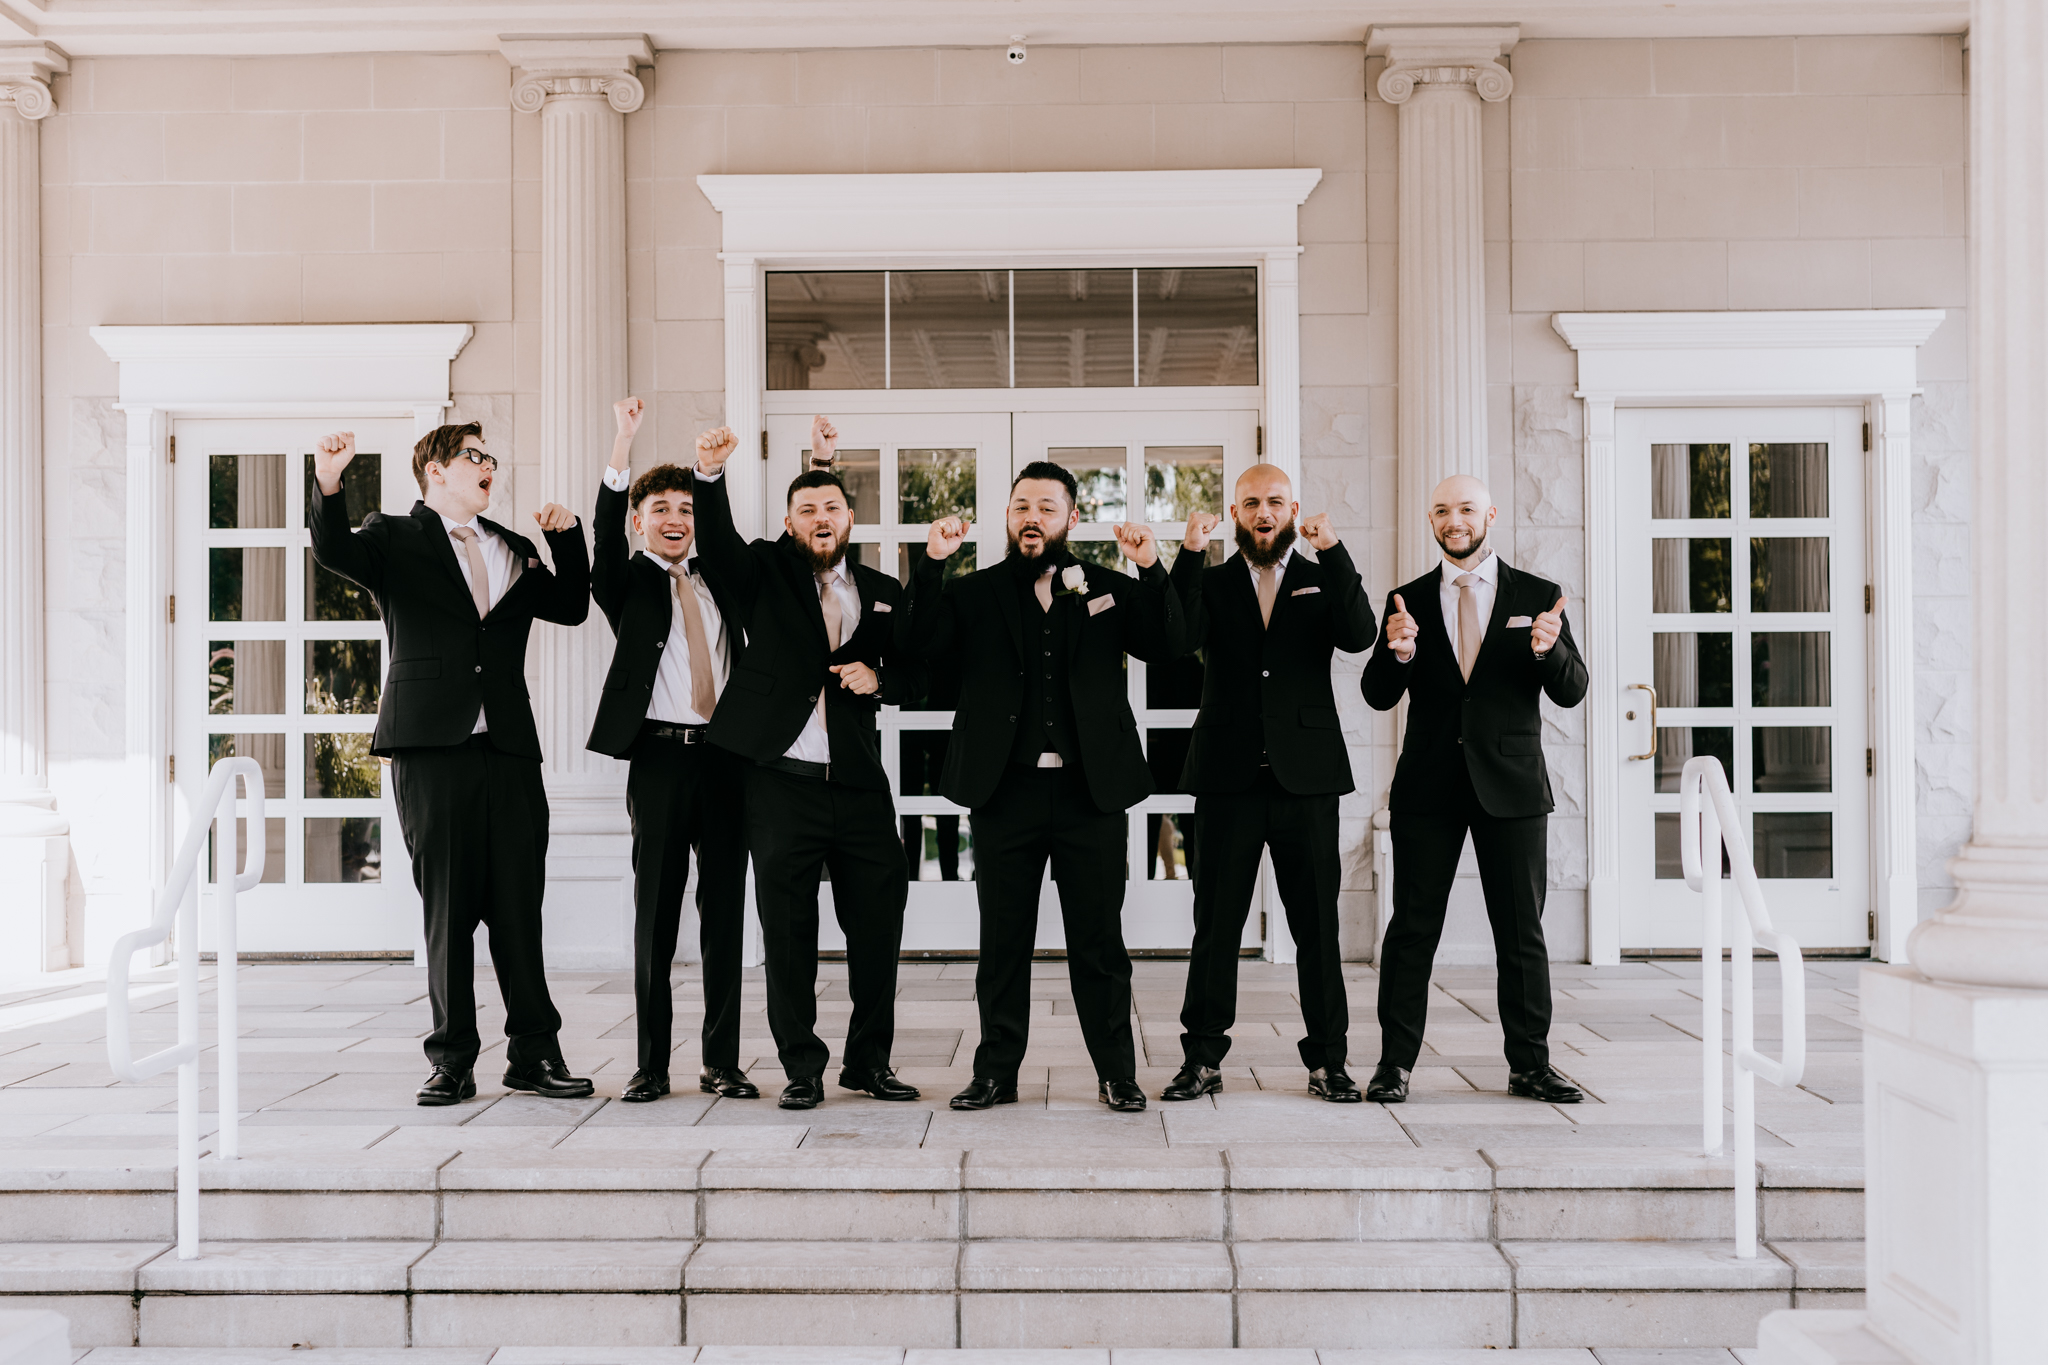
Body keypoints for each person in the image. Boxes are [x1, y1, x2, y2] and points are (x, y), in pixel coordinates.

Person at [308, 424, 593, 1106]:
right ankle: (452, 1059)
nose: (488, 464)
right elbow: (333, 549)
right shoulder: (393, 536)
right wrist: (329, 480)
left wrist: (567, 538)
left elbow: (573, 606)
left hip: (509, 749)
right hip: (431, 748)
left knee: (519, 906)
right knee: (449, 907)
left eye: (491, 456)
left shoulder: (514, 548)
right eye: (474, 455)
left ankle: (534, 1054)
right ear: (436, 470)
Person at [908, 462, 1186, 1114]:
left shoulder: (1106, 587)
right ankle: (995, 1073)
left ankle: (1117, 1072)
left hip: (1092, 793)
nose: (1031, 517)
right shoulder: (974, 592)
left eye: (1046, 507)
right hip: (1005, 793)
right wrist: (932, 564)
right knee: (1003, 943)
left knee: (1100, 943)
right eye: (1021, 506)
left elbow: (1171, 642)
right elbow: (917, 645)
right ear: (1008, 517)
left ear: (1072, 518)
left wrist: (1152, 567)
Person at [689, 416, 924, 1111]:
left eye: (831, 508)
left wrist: (880, 679)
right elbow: (719, 545)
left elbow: (919, 672)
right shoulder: (766, 571)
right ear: (789, 523)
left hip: (858, 785)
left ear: (850, 518)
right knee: (788, 933)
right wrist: (708, 475)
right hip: (780, 783)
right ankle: (802, 1066)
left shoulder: (882, 587)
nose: (821, 518)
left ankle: (870, 1062)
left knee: (877, 928)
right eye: (807, 510)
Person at [1360, 474, 1588, 1104]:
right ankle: (1394, 1064)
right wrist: (1398, 654)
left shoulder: (1538, 596)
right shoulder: (1406, 599)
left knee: (1520, 933)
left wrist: (1548, 651)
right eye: (1441, 510)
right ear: (1431, 520)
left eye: (1465, 508)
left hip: (1511, 789)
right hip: (1427, 788)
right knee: (1411, 931)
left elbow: (1572, 689)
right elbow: (1377, 694)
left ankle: (1530, 1065)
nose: (1453, 520)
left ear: (1489, 515)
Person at [1162, 464, 1377, 1104]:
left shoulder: (1321, 576)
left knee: (1317, 928)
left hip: (1305, 780)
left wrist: (1333, 550)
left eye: (1275, 502)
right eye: (1252, 502)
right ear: (1235, 513)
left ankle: (1329, 1062)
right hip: (1226, 779)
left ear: (1293, 511)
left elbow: (1360, 634)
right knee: (1216, 926)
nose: (1264, 512)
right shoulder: (1213, 580)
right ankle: (1201, 1059)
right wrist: (1189, 554)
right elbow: (1176, 638)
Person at [586, 396, 754, 1104]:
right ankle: (651, 1064)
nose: (676, 519)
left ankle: (722, 1061)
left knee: (724, 916)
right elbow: (602, 539)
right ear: (641, 520)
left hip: (725, 762)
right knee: (655, 916)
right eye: (661, 510)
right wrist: (622, 444)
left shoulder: (723, 581)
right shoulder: (628, 583)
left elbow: (725, 529)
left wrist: (711, 477)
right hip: (658, 760)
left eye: (685, 509)